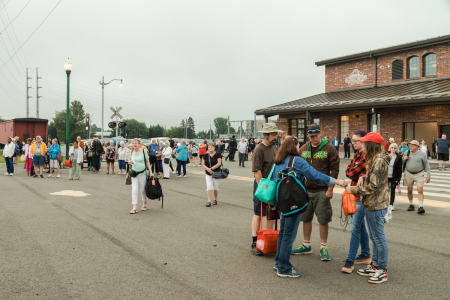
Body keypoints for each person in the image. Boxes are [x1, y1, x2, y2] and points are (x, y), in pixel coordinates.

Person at [272, 136, 346, 278]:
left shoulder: (278, 161)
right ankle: (283, 267)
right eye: (298, 145)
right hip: (293, 201)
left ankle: (278, 262)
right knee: (289, 234)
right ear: (293, 146)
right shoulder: (297, 161)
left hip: (281, 201)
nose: (299, 147)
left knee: (283, 232)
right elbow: (315, 175)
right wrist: (335, 181)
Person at [345, 131, 390, 284]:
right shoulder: (375, 159)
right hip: (373, 203)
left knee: (378, 238)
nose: (361, 144)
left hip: (376, 204)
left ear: (371, 145)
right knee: (374, 237)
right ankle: (375, 265)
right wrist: (364, 176)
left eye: (364, 142)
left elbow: (374, 187)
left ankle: (382, 270)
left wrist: (354, 189)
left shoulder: (378, 161)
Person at [292, 124, 339, 261]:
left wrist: (330, 189)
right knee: (306, 218)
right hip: (305, 190)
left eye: (316, 135)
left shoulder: (329, 148)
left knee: (323, 219)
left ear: (321, 133)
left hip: (321, 190)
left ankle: (323, 247)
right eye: (311, 136)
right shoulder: (303, 148)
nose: (314, 138)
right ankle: (306, 245)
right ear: (308, 136)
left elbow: (334, 169)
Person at [341, 130, 371, 274]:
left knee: (355, 228)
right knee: (360, 226)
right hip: (355, 194)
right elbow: (348, 170)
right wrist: (355, 171)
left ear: (363, 141)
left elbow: (351, 172)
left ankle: (350, 260)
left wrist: (359, 173)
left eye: (355, 141)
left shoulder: (367, 156)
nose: (352, 143)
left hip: (362, 197)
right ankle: (365, 254)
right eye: (352, 141)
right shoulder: (358, 154)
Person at [251, 123, 280, 256]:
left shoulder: (274, 147)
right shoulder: (259, 150)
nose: (276, 137)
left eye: (276, 134)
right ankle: (255, 241)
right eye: (273, 135)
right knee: (258, 214)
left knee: (270, 214)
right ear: (265, 135)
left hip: (273, 186)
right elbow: (257, 172)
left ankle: (269, 240)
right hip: (262, 186)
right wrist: (264, 191)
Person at [404, 140, 431, 214]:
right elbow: (401, 163)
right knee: (409, 190)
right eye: (410, 145)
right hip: (408, 173)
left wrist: (428, 176)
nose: (410, 147)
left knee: (420, 190)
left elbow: (427, 165)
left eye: (412, 146)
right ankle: (411, 204)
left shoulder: (422, 154)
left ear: (417, 147)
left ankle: (420, 207)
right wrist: (404, 159)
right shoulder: (407, 152)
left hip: (419, 173)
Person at [127, 138, 153, 214]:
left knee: (142, 190)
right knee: (134, 189)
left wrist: (151, 172)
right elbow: (129, 160)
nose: (134, 144)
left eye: (136, 143)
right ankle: (134, 207)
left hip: (142, 173)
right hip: (134, 173)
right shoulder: (131, 152)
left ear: (139, 144)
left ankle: (145, 203)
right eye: (133, 143)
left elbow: (147, 162)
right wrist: (130, 161)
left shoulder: (144, 151)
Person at [202, 142, 223, 207]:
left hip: (216, 173)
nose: (210, 148)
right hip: (208, 173)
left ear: (214, 148)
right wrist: (207, 169)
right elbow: (203, 164)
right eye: (209, 147)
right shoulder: (205, 155)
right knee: (209, 186)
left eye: (211, 147)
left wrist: (211, 168)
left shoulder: (218, 155)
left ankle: (215, 199)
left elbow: (219, 163)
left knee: (215, 187)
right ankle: (209, 201)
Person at [387, 143, 402, 211]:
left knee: (392, 191)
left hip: (394, 177)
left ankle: (391, 204)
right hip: (386, 176)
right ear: (390, 148)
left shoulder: (398, 157)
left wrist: (398, 179)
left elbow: (400, 169)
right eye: (392, 147)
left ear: (396, 149)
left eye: (395, 148)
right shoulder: (387, 156)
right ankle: (385, 204)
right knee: (385, 191)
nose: (393, 149)